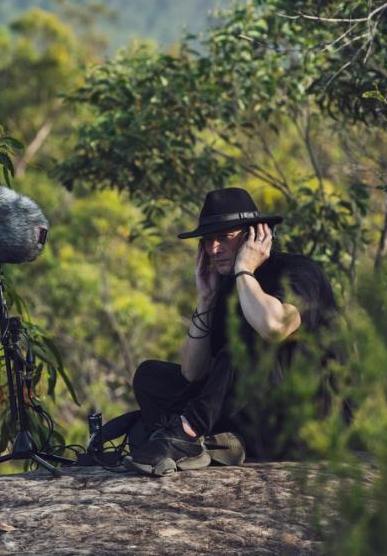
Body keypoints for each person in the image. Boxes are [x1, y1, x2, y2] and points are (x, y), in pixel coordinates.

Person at [122, 187, 340, 476]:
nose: (214, 250)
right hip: (254, 415)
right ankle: (217, 443)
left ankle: (187, 433)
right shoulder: (225, 287)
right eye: (208, 240)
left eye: (224, 238)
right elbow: (192, 372)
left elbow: (274, 327)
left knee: (248, 336)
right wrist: (206, 298)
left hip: (306, 419)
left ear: (256, 235)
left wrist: (245, 271)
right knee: (151, 376)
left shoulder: (300, 271)